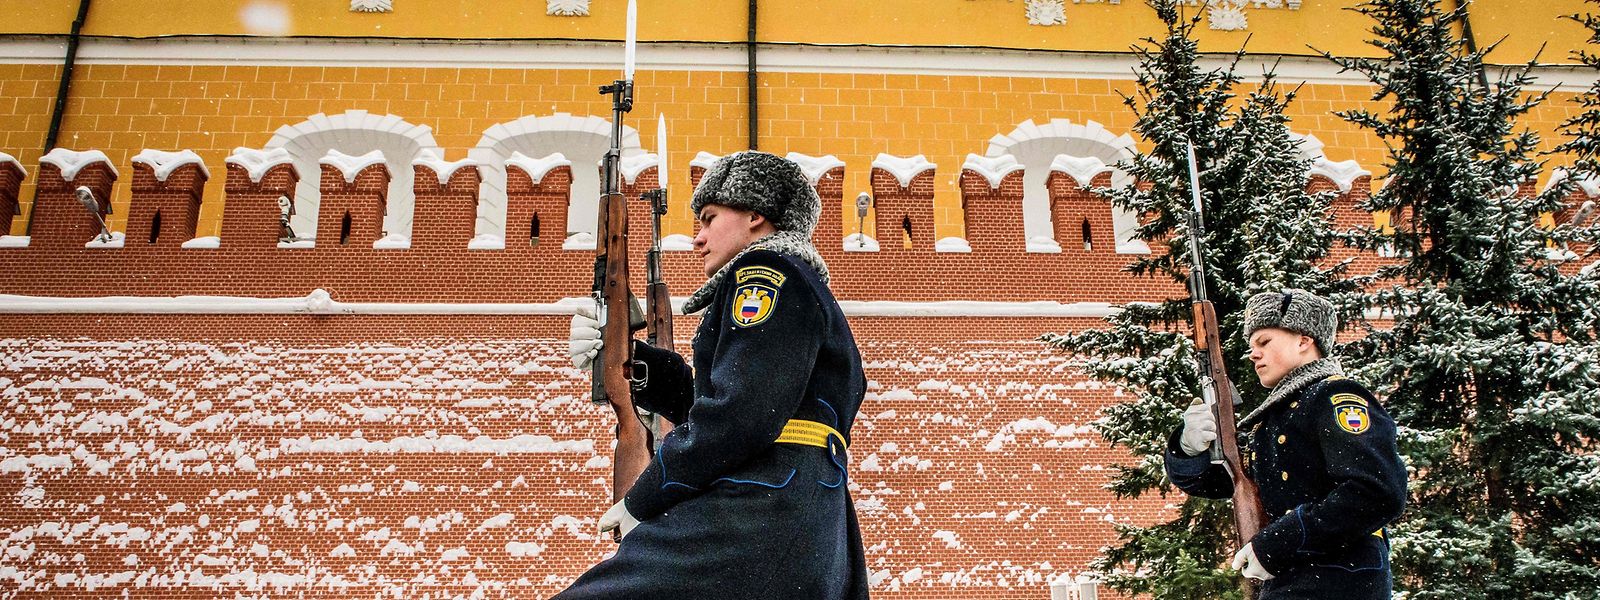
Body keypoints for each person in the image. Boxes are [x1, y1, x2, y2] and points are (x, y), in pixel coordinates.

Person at [556, 151, 871, 599]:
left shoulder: (766, 273)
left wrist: (645, 497)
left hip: (758, 510)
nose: (698, 238)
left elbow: (740, 415)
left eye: (709, 217)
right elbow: (728, 403)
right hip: (795, 508)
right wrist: (627, 360)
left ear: (755, 214)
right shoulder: (796, 286)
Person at [1164, 289, 1407, 599]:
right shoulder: (1273, 421)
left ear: (1304, 340)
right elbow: (1223, 482)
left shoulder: (1334, 397)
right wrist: (1187, 448)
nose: (1253, 353)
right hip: (1290, 581)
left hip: (1338, 582)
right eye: (1251, 345)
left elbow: (1376, 491)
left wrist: (1278, 544)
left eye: (1264, 342)